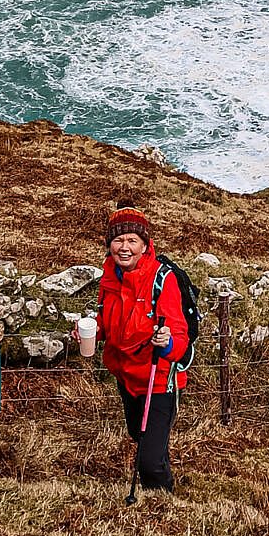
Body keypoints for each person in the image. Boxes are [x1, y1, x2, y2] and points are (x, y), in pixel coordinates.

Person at [92, 204, 189, 493]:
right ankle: (158, 474)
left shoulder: (162, 279)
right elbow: (105, 319)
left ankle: (162, 504)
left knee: (148, 461)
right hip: (127, 377)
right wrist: (94, 330)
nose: (124, 247)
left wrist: (167, 342)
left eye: (132, 240)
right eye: (118, 240)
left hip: (159, 380)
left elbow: (180, 336)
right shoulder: (109, 277)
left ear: (145, 245)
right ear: (109, 244)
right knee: (140, 434)